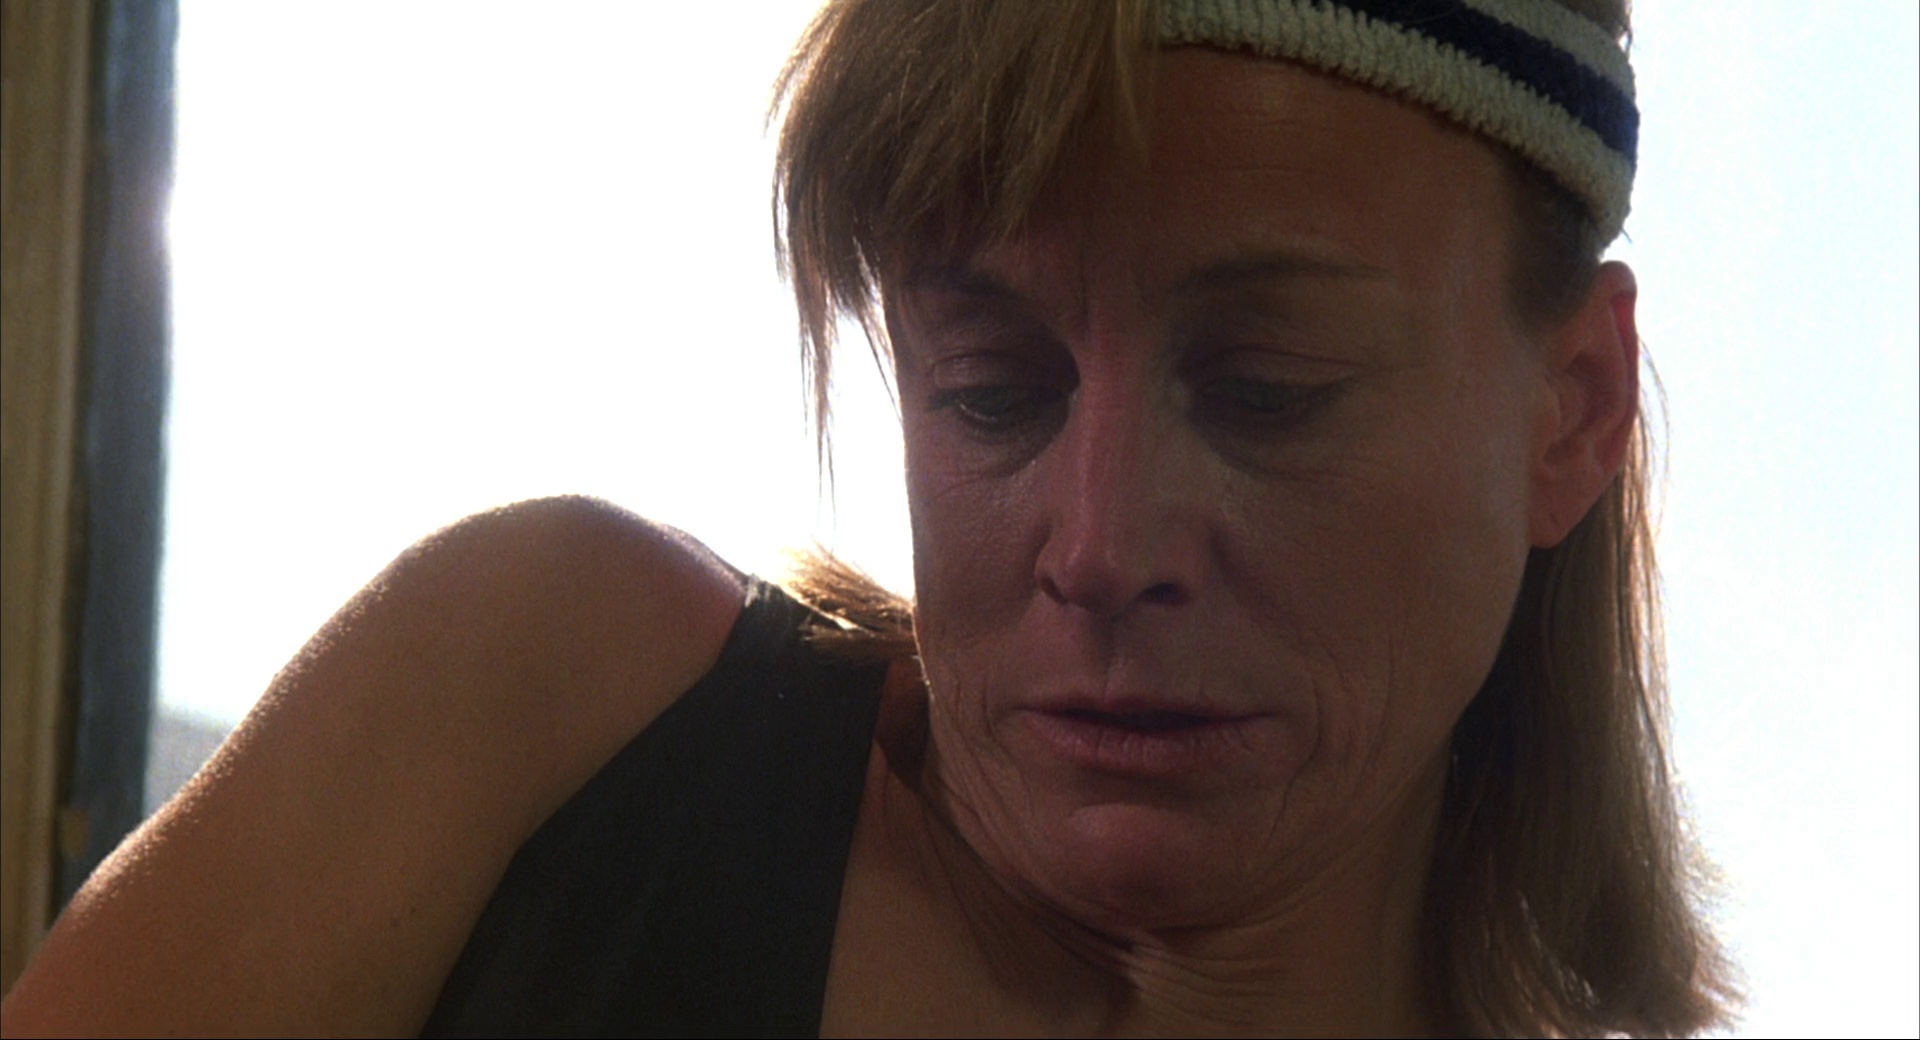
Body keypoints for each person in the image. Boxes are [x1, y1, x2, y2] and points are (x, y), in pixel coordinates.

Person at [1, 0, 1737, 1035]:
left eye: (1270, 389)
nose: (1099, 545)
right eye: (991, 386)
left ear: (1573, 410)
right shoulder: (564, 715)